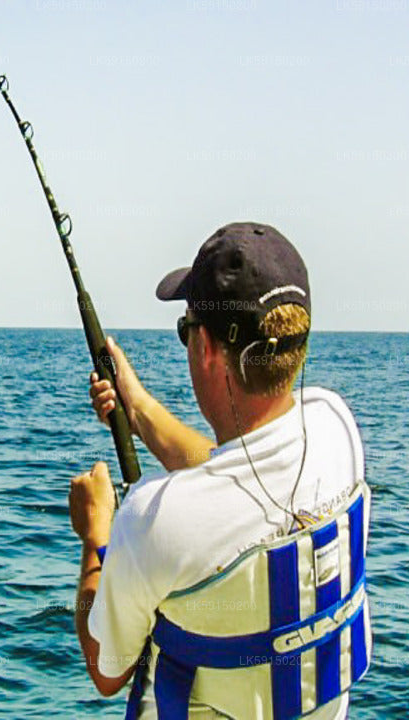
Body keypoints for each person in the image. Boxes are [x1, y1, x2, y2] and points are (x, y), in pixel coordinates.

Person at [68, 222, 371, 719]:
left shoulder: (152, 521)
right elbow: (231, 479)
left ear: (205, 347)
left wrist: (96, 532)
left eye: (186, 329)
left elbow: (105, 669)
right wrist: (136, 405)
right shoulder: (338, 429)